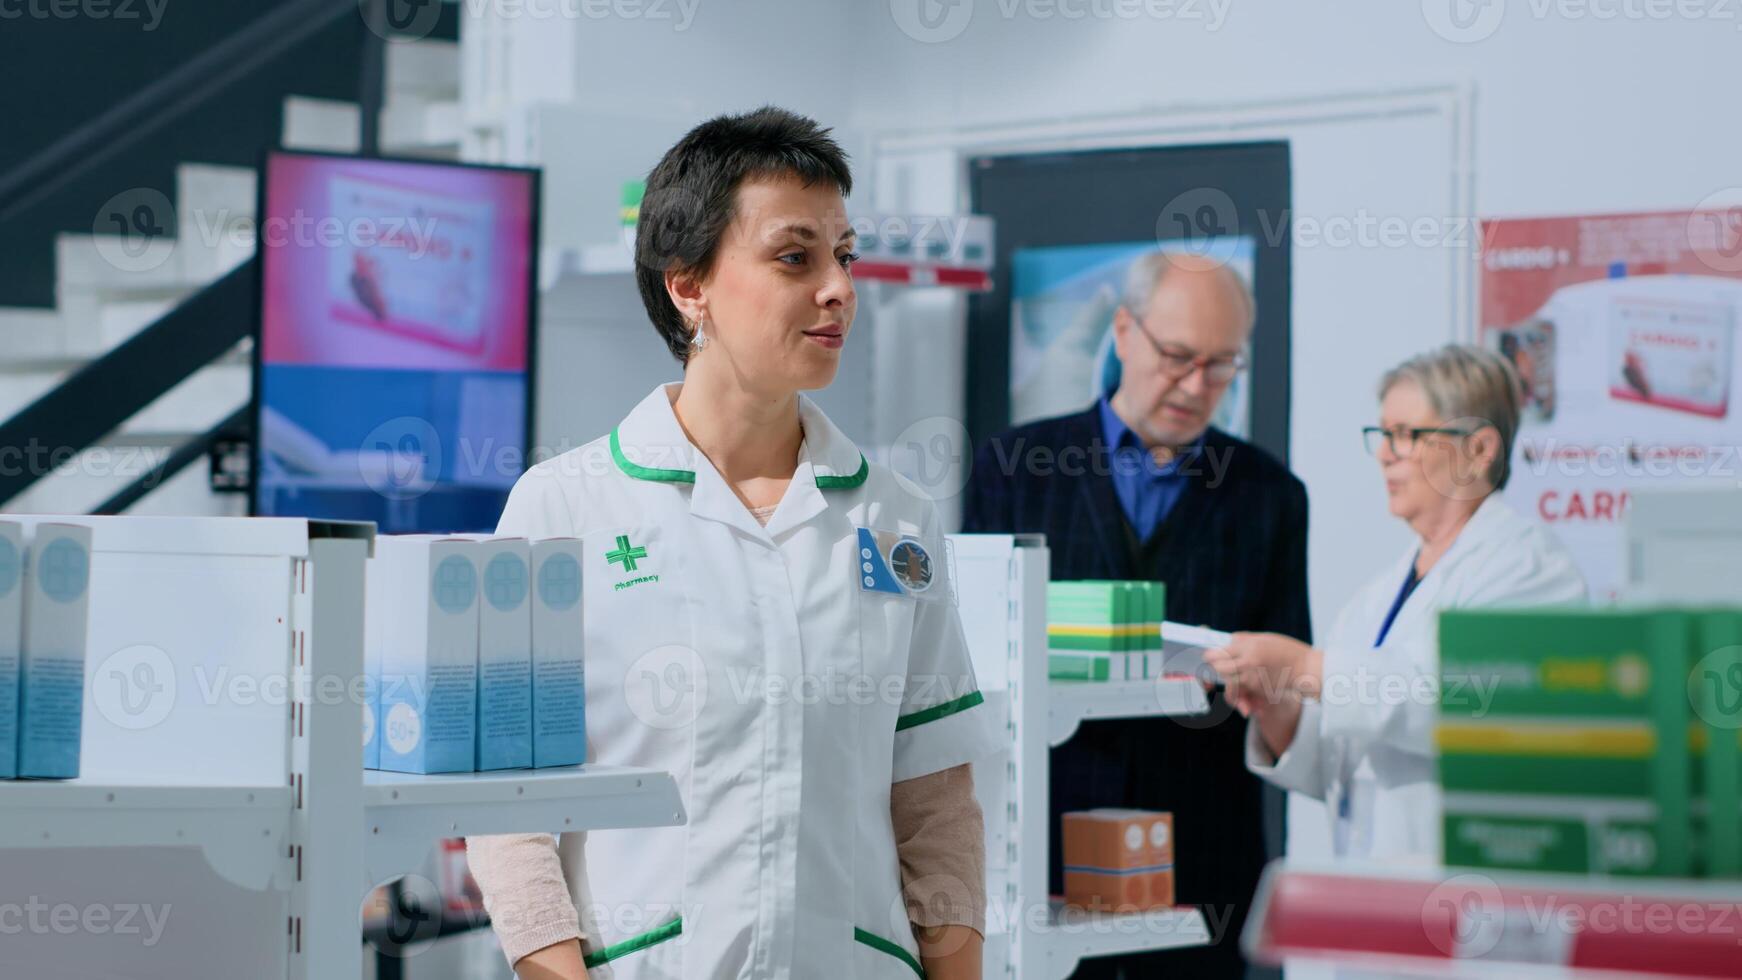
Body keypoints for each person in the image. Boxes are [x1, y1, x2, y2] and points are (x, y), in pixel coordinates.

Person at [466, 107, 1002, 980]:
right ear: (690, 286)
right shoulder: (563, 507)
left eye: (845, 256)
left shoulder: (893, 518)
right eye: (796, 257)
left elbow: (935, 800)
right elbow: (508, 806)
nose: (839, 288)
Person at [961, 251, 1311, 978]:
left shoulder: (1269, 496)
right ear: (1123, 331)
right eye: (1178, 356)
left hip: (1202, 864)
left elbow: (1287, 680)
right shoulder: (1013, 469)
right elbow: (972, 671)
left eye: (1221, 366)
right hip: (1043, 853)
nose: (1195, 385)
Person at [1206, 344, 1586, 862]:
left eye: (1408, 435)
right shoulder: (1377, 595)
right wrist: (1280, 708)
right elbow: (1340, 761)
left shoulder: (1529, 569)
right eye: (1384, 434)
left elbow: (1470, 702)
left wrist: (1305, 667)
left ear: (1479, 450)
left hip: (1472, 892)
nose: (1386, 452)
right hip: (1373, 892)